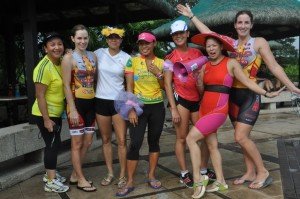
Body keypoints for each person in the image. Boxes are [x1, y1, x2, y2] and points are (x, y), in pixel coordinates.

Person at [177, 3, 300, 189]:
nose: (242, 25)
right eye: (239, 22)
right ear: (235, 25)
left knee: (241, 137)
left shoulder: (259, 42)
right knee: (240, 137)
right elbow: (209, 33)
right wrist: (191, 16)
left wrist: (292, 87)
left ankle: (263, 172)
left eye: (246, 22)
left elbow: (274, 67)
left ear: (251, 25)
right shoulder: (231, 43)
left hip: (250, 95)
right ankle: (250, 172)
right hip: (232, 96)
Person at [186, 32, 280, 198]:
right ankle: (221, 181)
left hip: (218, 111)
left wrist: (266, 93)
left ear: (221, 47)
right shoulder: (205, 66)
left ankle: (198, 180)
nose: (211, 48)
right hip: (204, 109)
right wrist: (198, 80)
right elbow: (202, 91)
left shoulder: (231, 63)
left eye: (214, 45)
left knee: (190, 139)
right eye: (208, 46)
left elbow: (248, 82)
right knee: (212, 146)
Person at [164, 20, 215, 188]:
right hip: (182, 101)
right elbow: (167, 85)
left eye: (181, 33)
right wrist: (173, 109)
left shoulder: (198, 54)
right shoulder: (169, 59)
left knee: (206, 135)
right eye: (175, 34)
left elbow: (206, 77)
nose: (178, 36)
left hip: (197, 100)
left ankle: (202, 169)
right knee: (181, 138)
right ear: (172, 37)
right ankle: (184, 173)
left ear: (187, 34)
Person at [116, 31, 165, 197]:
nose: (144, 46)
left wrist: (158, 73)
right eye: (141, 43)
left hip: (157, 106)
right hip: (139, 108)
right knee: (135, 143)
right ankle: (130, 181)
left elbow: (166, 86)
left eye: (148, 43)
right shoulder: (133, 61)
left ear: (154, 43)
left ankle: (151, 176)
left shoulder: (161, 62)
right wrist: (131, 108)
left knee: (154, 141)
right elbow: (129, 86)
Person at [32, 32, 69, 193]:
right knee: (52, 146)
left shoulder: (60, 62)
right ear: (45, 48)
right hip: (44, 114)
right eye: (52, 44)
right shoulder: (43, 67)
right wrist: (46, 119)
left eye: (59, 44)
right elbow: (39, 95)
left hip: (56, 112)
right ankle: (50, 181)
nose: (56, 47)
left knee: (56, 143)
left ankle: (50, 174)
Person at [61, 24, 97, 192]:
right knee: (76, 143)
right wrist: (72, 109)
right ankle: (81, 178)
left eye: (85, 38)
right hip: (76, 105)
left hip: (91, 104)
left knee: (88, 141)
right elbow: (66, 86)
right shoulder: (68, 58)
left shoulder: (93, 56)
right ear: (73, 39)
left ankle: (75, 174)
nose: (82, 41)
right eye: (79, 38)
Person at [94, 27, 131, 188]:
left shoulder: (127, 58)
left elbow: (129, 85)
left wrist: (130, 106)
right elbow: (81, 59)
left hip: (119, 102)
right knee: (106, 139)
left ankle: (122, 174)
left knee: (122, 140)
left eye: (116, 38)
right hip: (100, 100)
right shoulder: (98, 53)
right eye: (110, 37)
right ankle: (110, 173)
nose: (113, 40)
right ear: (106, 39)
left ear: (121, 40)